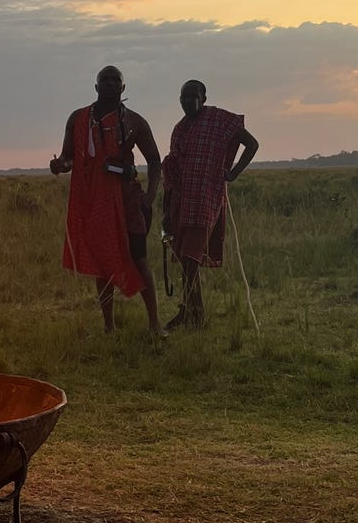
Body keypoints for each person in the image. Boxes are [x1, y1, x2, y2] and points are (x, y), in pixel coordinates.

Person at [50, 66, 164, 334]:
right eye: (105, 80)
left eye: (116, 80)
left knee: (139, 259)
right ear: (96, 86)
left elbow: (155, 160)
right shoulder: (78, 119)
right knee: (102, 264)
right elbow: (69, 157)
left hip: (127, 200)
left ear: (123, 88)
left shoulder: (134, 122)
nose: (111, 84)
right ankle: (109, 326)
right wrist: (60, 165)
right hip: (94, 202)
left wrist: (149, 196)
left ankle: (155, 323)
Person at [161, 80, 259, 330]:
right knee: (185, 262)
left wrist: (234, 172)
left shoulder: (219, 120)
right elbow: (171, 171)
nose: (188, 101)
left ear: (204, 98)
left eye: (194, 96)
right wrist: (165, 212)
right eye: (184, 96)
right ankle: (190, 312)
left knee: (191, 260)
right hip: (180, 203)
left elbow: (252, 144)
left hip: (206, 200)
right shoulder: (179, 129)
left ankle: (196, 316)